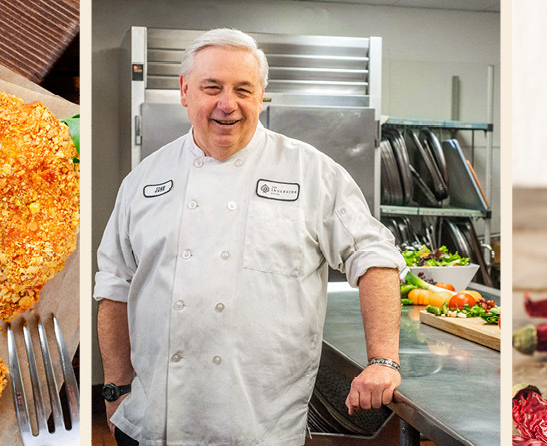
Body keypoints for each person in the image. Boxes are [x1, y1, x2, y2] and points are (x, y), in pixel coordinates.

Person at [94, 28, 404, 445]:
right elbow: (115, 287)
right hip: (154, 423)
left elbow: (374, 256)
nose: (228, 104)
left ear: (261, 96)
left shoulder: (311, 173)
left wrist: (383, 360)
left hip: (261, 427)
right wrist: (115, 390)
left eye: (243, 89)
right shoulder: (144, 180)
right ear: (185, 91)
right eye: (212, 87)